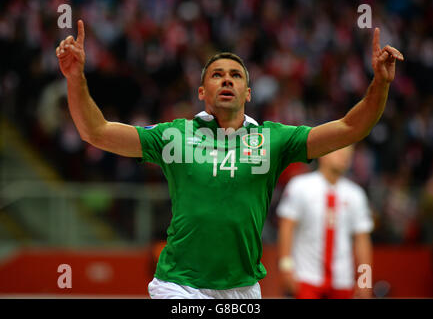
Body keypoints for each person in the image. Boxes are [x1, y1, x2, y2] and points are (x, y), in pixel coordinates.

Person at [56, 20, 403, 299]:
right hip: (179, 284)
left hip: (242, 289)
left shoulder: (274, 139)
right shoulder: (173, 135)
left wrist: (380, 85)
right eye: (217, 74)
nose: (227, 79)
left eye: (236, 75)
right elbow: (96, 131)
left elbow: (349, 127)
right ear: (202, 92)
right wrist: (76, 79)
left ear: (248, 93)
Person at [276, 146, 373, 299]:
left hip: (342, 280)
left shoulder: (356, 194)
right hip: (305, 277)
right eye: (339, 149)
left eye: (349, 152)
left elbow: (362, 240)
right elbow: (286, 227)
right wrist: (286, 267)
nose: (344, 155)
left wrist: (365, 280)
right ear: (322, 154)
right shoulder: (300, 186)